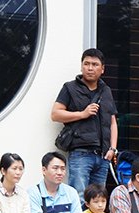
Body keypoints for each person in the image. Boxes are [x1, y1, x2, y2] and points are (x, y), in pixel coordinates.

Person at [51, 48, 117, 199]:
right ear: (81, 66)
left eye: (94, 64)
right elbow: (55, 114)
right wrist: (82, 114)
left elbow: (112, 122)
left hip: (103, 155)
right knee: (79, 197)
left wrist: (112, 148)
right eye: (86, 64)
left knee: (98, 199)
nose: (90, 68)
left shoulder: (106, 91)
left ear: (102, 69)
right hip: (80, 152)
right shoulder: (70, 87)